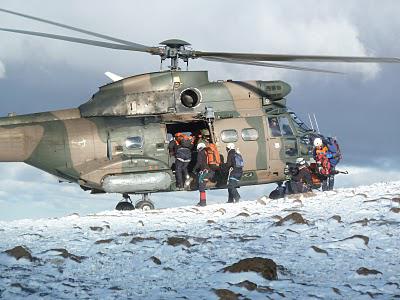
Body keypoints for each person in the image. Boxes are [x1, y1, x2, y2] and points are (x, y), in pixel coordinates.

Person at [193, 142, 214, 206]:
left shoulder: (200, 153)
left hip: (205, 171)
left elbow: (199, 162)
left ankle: (203, 202)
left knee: (201, 187)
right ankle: (202, 201)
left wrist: (194, 169)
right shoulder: (206, 152)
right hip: (209, 170)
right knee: (202, 187)